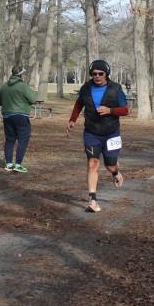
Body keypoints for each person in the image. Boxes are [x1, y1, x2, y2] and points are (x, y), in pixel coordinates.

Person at [66, 60, 129, 212]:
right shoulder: (86, 88)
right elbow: (79, 104)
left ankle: (115, 172)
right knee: (92, 163)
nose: (97, 76)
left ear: (106, 74)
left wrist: (110, 110)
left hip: (111, 133)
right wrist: (72, 120)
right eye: (94, 74)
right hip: (91, 132)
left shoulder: (115, 88)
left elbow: (125, 110)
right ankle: (93, 201)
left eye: (101, 73)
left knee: (110, 165)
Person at [0, 65, 36, 172]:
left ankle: (9, 164)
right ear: (21, 75)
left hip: (7, 116)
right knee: (23, 139)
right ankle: (18, 164)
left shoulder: (4, 86)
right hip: (20, 116)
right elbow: (33, 99)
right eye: (24, 74)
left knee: (10, 139)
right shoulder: (23, 86)